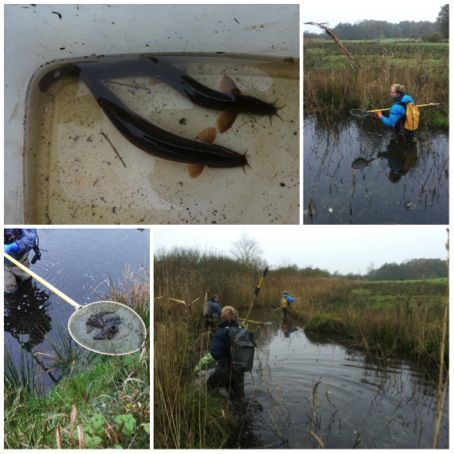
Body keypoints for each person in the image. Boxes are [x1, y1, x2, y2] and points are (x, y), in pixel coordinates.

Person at [195, 306, 250, 401]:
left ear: (222, 317)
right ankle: (241, 410)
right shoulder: (242, 330)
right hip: (239, 370)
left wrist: (199, 366)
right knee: (240, 398)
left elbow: (214, 355)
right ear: (236, 317)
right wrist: (244, 328)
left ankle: (220, 405)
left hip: (225, 370)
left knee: (209, 386)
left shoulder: (221, 332)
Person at [4, 229, 40, 294]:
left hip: (21, 258)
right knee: (9, 289)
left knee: (26, 280)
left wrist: (15, 246)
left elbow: (31, 239)